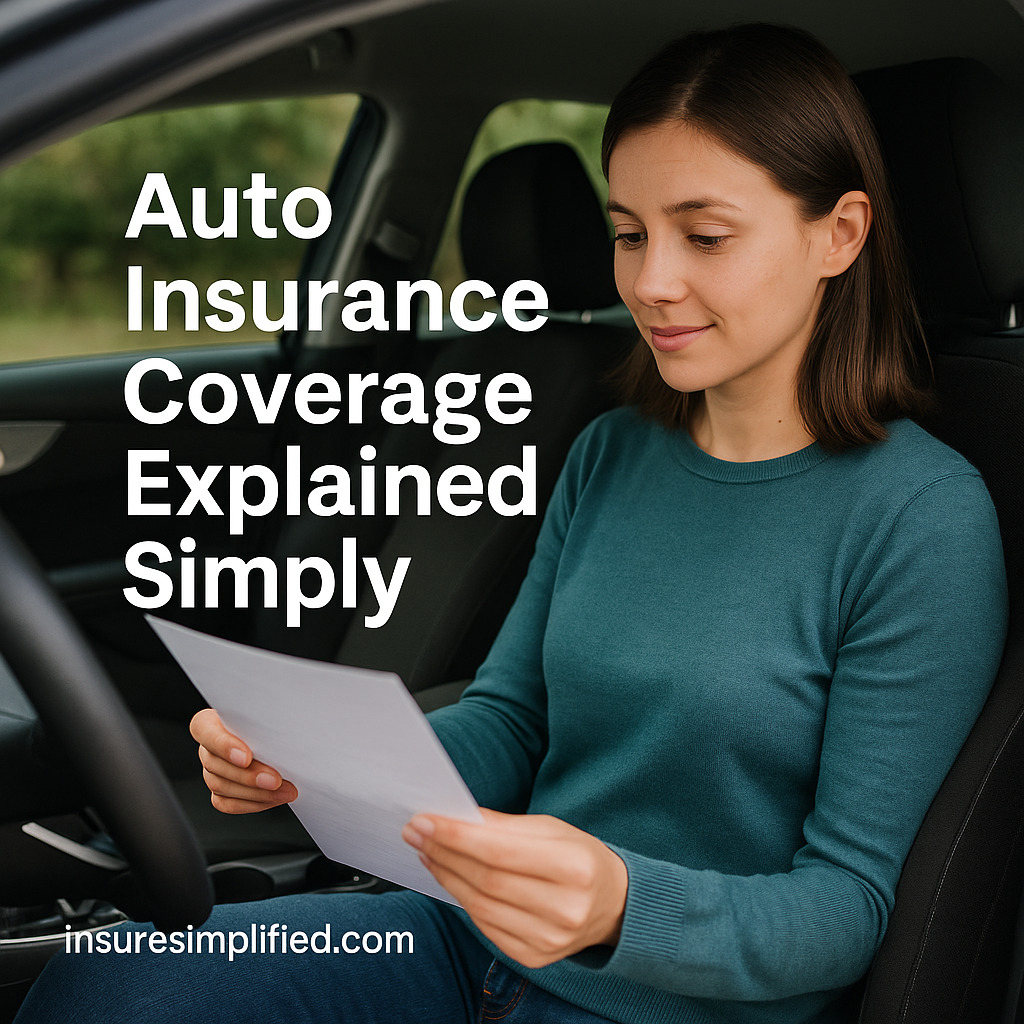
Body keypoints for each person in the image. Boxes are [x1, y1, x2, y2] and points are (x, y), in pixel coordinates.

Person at [16, 22, 1007, 1024]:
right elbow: (512, 719)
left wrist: (623, 905)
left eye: (705, 236)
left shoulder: (920, 521)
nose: (651, 281)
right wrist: (308, 767)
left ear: (837, 234)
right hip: (465, 936)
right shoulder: (612, 452)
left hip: (663, 1007)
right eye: (629, 233)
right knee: (107, 984)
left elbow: (849, 904)